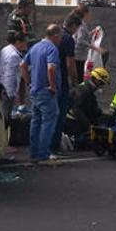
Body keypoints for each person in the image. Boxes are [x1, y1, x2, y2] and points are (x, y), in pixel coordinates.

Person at [20, 24, 63, 166]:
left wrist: (28, 82)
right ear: (55, 35)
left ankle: (34, 153)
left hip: (35, 90)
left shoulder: (35, 47)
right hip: (46, 91)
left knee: (36, 122)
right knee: (48, 121)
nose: (60, 39)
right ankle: (43, 154)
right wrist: (52, 85)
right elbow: (51, 67)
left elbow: (22, 65)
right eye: (60, 36)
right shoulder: (52, 49)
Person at [51, 15, 82, 158]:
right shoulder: (68, 39)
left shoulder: (54, 37)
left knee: (48, 116)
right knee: (59, 116)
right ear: (74, 26)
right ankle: (54, 147)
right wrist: (75, 82)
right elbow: (70, 63)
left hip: (50, 80)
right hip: (62, 81)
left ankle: (45, 146)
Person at [65, 67, 111, 144]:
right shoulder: (84, 90)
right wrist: (89, 125)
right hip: (73, 122)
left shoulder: (87, 89)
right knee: (84, 141)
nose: (101, 86)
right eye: (101, 83)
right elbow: (77, 110)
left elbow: (91, 107)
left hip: (77, 119)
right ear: (96, 80)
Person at [0, 32, 28, 119]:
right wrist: (11, 94)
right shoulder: (14, 56)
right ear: (18, 42)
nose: (26, 45)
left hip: (0, 85)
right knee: (5, 116)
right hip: (6, 91)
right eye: (24, 42)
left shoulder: (5, 49)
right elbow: (10, 76)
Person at [71, 4, 107, 83]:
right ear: (85, 14)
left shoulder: (81, 24)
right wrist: (95, 48)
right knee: (79, 77)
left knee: (79, 76)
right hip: (78, 56)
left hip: (79, 55)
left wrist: (92, 32)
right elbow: (80, 40)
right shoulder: (81, 25)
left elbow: (82, 37)